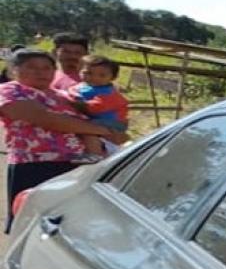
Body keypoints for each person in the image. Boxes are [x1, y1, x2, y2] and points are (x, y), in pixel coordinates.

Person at [0, 49, 124, 232]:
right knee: (30, 226)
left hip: (78, 167)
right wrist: (100, 130)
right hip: (36, 165)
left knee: (68, 226)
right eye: (32, 67)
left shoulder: (65, 95)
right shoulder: (10, 91)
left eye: (47, 68)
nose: (41, 72)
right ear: (13, 70)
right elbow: (46, 119)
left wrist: (112, 132)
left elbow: (103, 121)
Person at [70, 54, 130, 158]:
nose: (94, 78)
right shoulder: (83, 86)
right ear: (79, 71)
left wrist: (77, 104)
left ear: (112, 77)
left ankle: (94, 156)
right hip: (99, 119)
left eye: (102, 75)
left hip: (113, 122)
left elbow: (95, 107)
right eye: (88, 73)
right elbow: (72, 91)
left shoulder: (108, 93)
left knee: (87, 130)